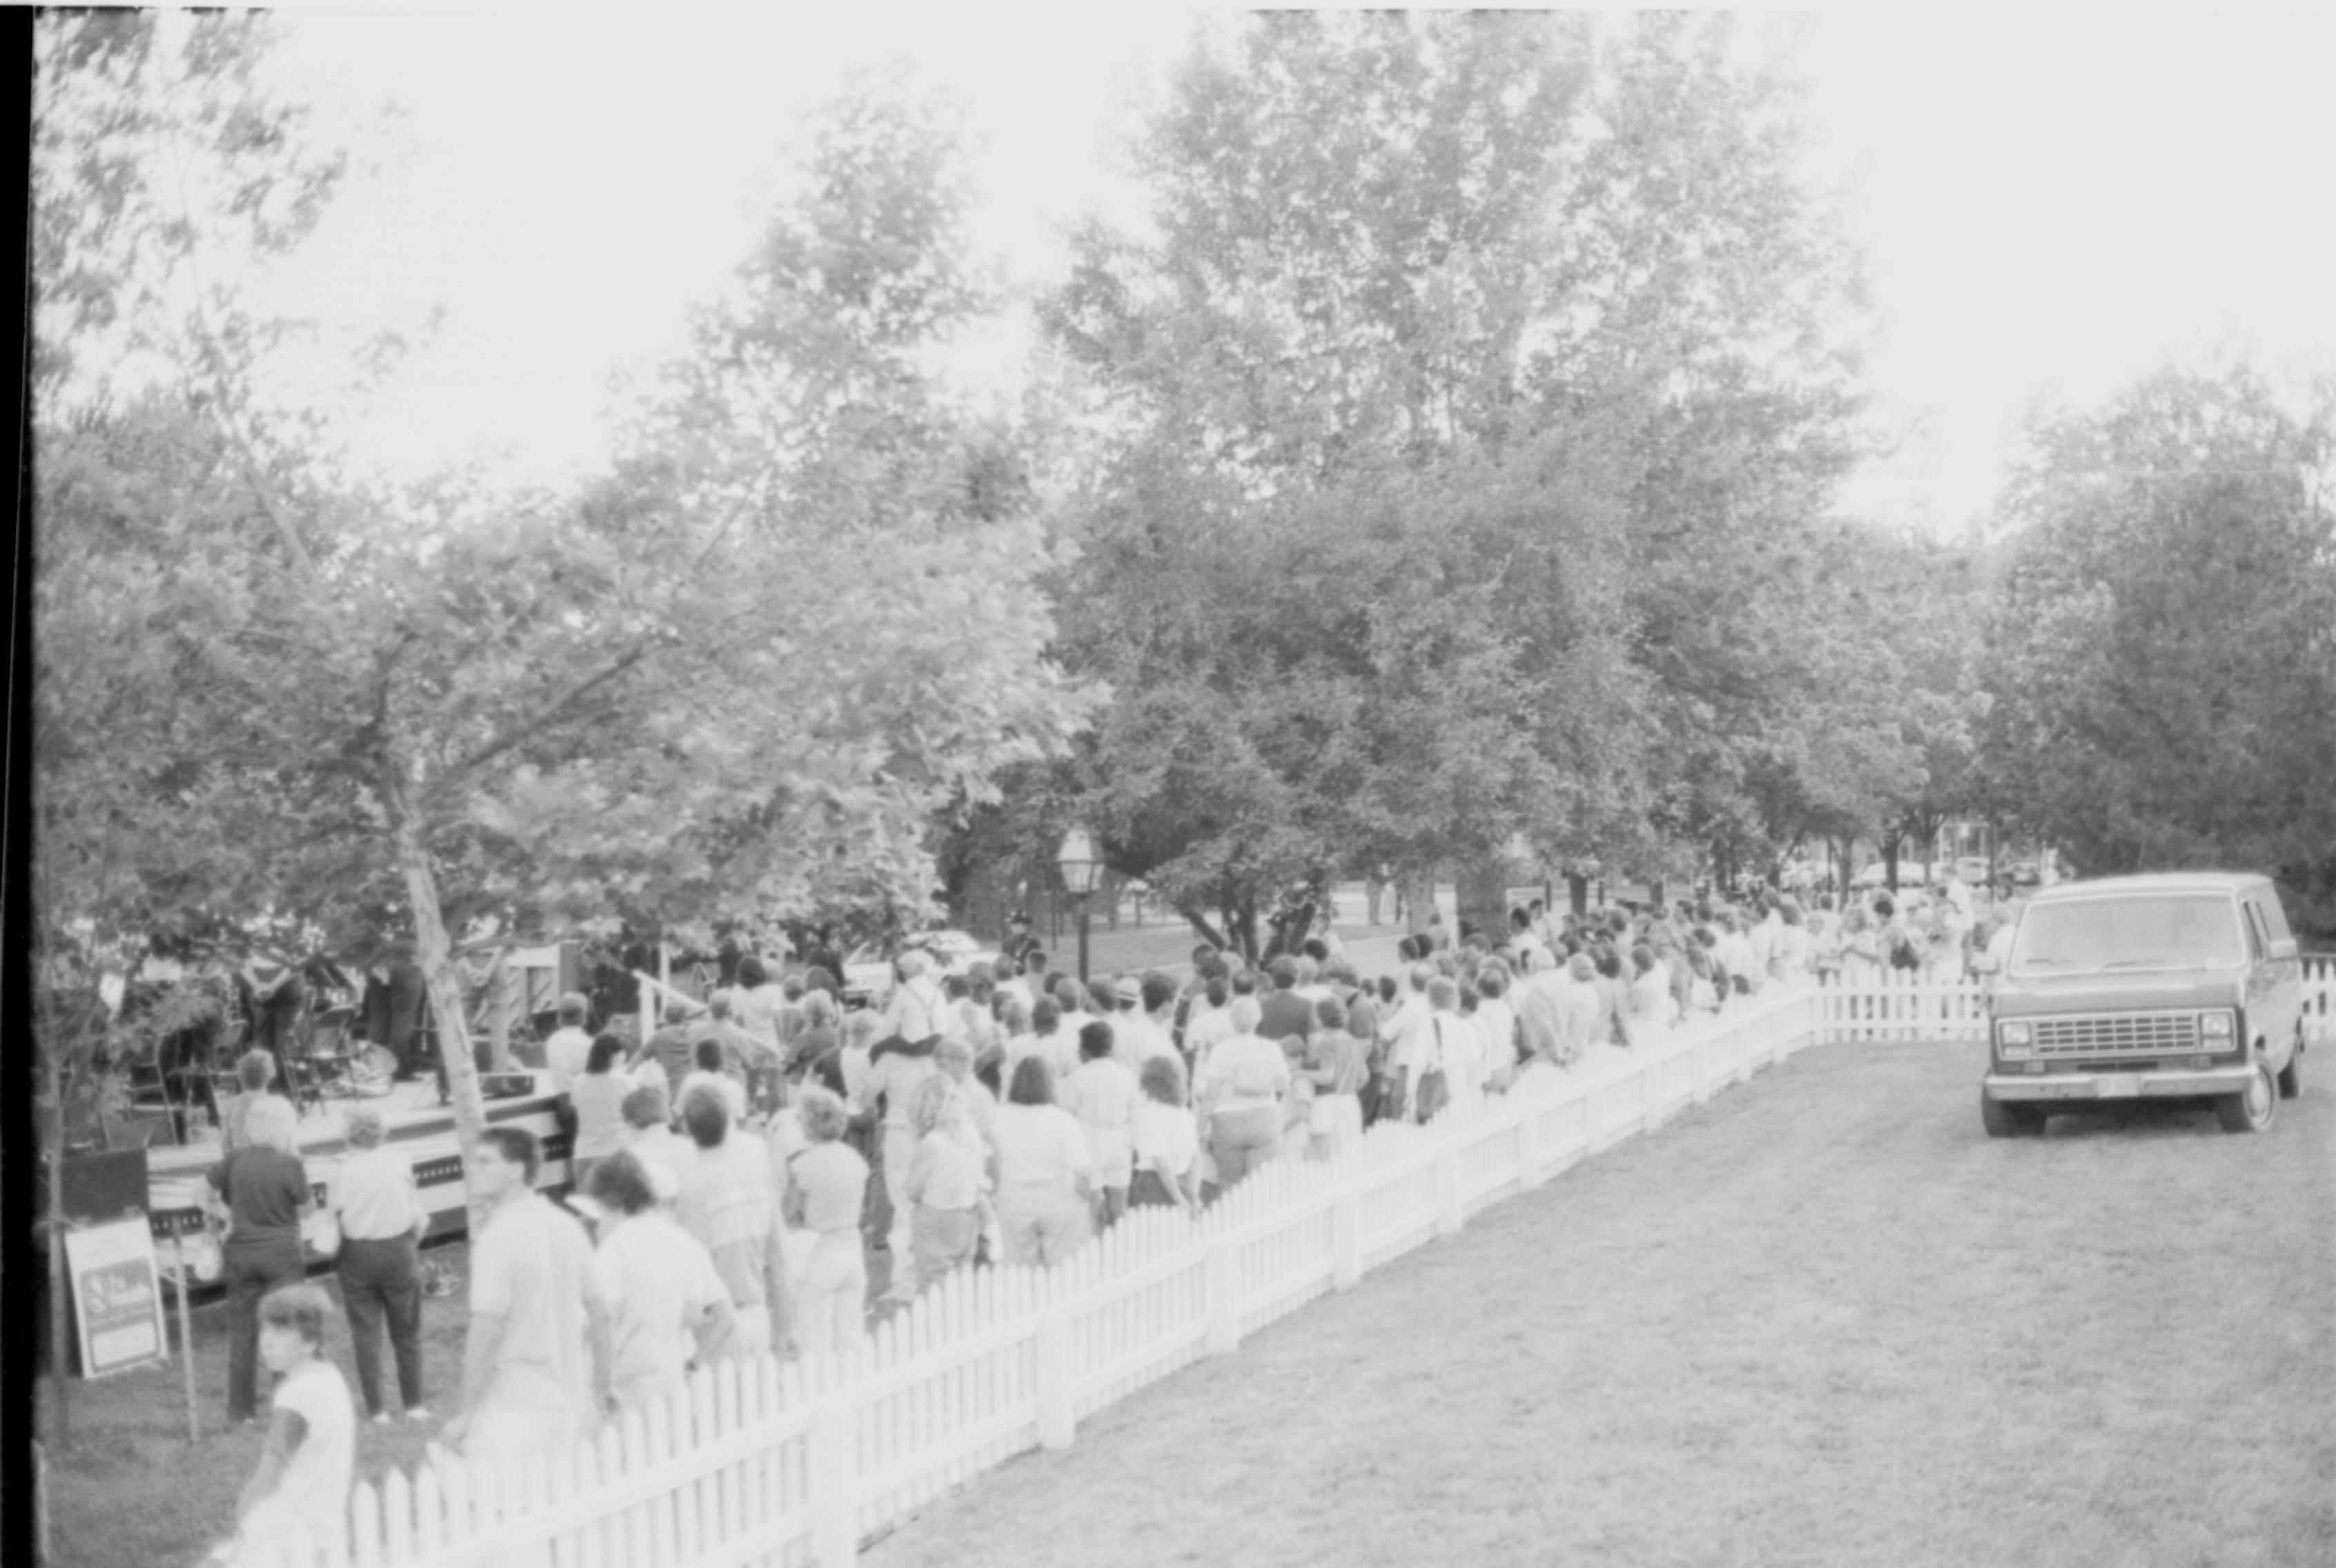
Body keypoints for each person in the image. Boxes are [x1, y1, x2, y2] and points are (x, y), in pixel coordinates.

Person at [444, 1127, 619, 1471]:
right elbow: (602, 1315)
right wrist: (604, 1385)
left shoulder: (498, 1238)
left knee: (505, 1512)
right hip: (566, 1400)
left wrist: (466, 1415)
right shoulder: (568, 1226)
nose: (472, 1169)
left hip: (516, 1404)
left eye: (484, 1161)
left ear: (516, 1169)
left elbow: (487, 1331)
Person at [214, 1284, 354, 1567]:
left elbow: (268, 1477)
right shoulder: (330, 1376)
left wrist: (244, 1514)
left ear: (309, 1342)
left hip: (289, 1533)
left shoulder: (296, 1396)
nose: (266, 1342)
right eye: (265, 1330)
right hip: (324, 1524)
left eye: (280, 1333)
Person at [586, 1151, 735, 1413]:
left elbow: (603, 1319)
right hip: (671, 1372)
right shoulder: (680, 1239)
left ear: (610, 1200)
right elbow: (691, 1313)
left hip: (627, 1380)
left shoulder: (615, 1248)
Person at [208, 1095, 313, 1425]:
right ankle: (285, 1406)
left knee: (243, 1334)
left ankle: (240, 1413)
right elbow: (307, 1209)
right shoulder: (290, 1164)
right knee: (283, 1330)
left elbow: (199, 1192)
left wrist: (224, 1212)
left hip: (242, 1255)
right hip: (283, 1257)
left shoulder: (233, 1160)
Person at [328, 1107, 429, 1424]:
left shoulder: (342, 1171)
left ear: (348, 1136)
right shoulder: (401, 1161)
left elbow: (335, 1214)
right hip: (400, 1247)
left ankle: (377, 1410)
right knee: (408, 1332)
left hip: (359, 1253)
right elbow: (413, 1207)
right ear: (381, 1132)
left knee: (365, 1333)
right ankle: (414, 1404)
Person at [672, 1084, 784, 1358]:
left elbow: (696, 1270)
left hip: (718, 1321)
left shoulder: (691, 1189)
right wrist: (786, 1328)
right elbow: (779, 1261)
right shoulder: (758, 1178)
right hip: (758, 1313)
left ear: (687, 1129)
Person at [783, 1087, 871, 1358]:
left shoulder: (802, 1165)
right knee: (850, 1335)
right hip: (852, 1250)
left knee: (814, 1338)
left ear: (809, 1122)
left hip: (819, 1252)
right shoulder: (857, 1162)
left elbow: (788, 1212)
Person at [989, 1057, 1096, 1265]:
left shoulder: (999, 1118)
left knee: (1018, 1268)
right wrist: (1087, 1204)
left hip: (1014, 1199)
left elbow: (991, 1161)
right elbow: (1083, 1172)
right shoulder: (1063, 1121)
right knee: (1064, 1269)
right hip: (1059, 1200)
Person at [897, 1075, 984, 1300]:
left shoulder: (932, 1143)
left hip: (936, 1216)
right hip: (967, 1212)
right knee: (963, 1276)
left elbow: (913, 1192)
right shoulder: (971, 1133)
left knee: (934, 1280)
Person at [1195, 995, 1288, 1191]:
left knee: (1230, 1186)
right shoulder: (1271, 1048)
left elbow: (1211, 1095)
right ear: (1259, 1019)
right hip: (1265, 1116)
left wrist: (1199, 1130)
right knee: (1262, 1186)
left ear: (1232, 1019)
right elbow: (1283, 1086)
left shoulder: (1221, 1050)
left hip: (1228, 1120)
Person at [1060, 1020, 1138, 1229]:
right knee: (1119, 1208)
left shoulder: (1077, 1078)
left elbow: (1066, 1115)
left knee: (1090, 1209)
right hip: (1120, 1142)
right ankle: (1119, 1252)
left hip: (1089, 1143)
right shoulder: (1127, 1076)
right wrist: (1133, 1143)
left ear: (1084, 1048)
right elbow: (1135, 1114)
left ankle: (1093, 1251)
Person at [1128, 1054, 1200, 1212]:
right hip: (1184, 1180)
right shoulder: (1184, 1113)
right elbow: (1195, 1158)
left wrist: (1178, 1199)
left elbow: (1161, 1162)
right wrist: (1194, 1197)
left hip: (1155, 1185)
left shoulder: (1150, 1113)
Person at [570, 1031, 635, 1193]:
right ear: (617, 1056)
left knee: (587, 1209)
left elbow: (576, 1107)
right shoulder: (625, 1081)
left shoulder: (578, 1082)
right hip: (618, 1151)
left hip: (585, 1153)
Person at [217, 1048, 289, 1153]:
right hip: (271, 1163)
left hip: (241, 1163)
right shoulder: (281, 1105)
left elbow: (226, 1147)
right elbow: (288, 1147)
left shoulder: (231, 1106)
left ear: (241, 1076)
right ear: (270, 1076)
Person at [678, 1037, 749, 1124]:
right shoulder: (734, 1087)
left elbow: (679, 1115)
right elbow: (741, 1122)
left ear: (698, 1059)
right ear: (722, 1060)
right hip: (726, 1135)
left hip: (697, 1134)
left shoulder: (690, 1081)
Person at [543, 993, 595, 1094]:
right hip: (583, 1099)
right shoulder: (589, 1043)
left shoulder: (552, 1041)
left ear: (559, 1017)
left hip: (562, 1099)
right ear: (583, 1016)